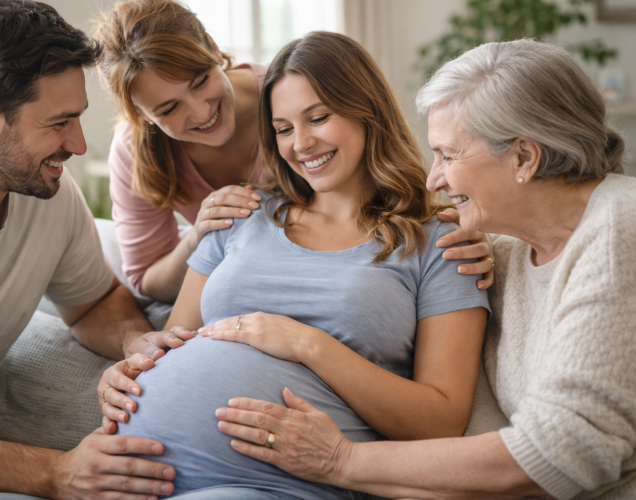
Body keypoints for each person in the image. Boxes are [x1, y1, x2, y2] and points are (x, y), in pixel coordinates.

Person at [212, 39, 636, 500]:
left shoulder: (617, 234)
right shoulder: (505, 247)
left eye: (449, 156)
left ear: (524, 158)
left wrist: (340, 460)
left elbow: (557, 457)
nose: (433, 179)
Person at [97, 31, 490, 499]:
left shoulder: (438, 242)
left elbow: (441, 421)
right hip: (121, 472)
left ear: (366, 109)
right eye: (283, 129)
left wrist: (308, 344)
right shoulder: (241, 215)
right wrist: (130, 370)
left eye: (318, 118)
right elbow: (168, 346)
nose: (301, 144)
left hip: (271, 485)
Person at [0, 1, 187, 498]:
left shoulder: (50, 194)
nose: (80, 144)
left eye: (79, 118)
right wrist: (55, 472)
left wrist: (134, 339)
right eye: (59, 122)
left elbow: (92, 302)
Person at [95, 0, 494, 303]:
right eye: (168, 109)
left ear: (214, 48)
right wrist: (200, 234)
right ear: (142, 116)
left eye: (200, 81)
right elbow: (148, 282)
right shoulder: (136, 151)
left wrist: (459, 233)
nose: (200, 113)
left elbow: (387, 175)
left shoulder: (290, 91)